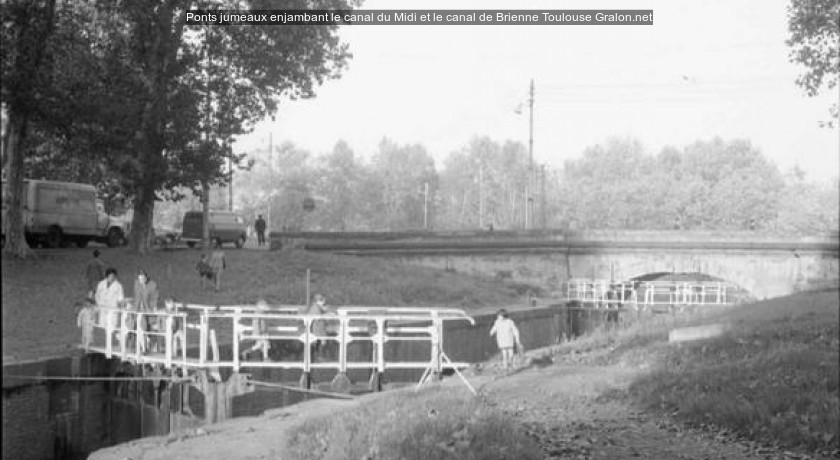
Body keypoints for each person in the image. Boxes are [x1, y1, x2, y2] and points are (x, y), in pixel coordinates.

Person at [134, 270, 160, 352]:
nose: (141, 281)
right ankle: (144, 347)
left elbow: (155, 298)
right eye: (139, 279)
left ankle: (153, 347)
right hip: (140, 311)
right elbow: (137, 297)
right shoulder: (137, 284)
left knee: (153, 328)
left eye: (142, 279)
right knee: (141, 328)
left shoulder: (153, 285)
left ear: (146, 278)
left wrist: (154, 307)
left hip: (149, 309)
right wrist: (135, 309)